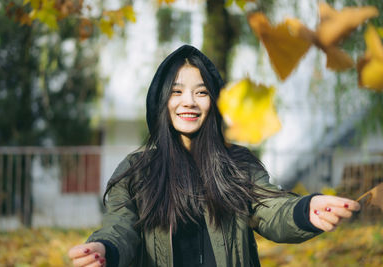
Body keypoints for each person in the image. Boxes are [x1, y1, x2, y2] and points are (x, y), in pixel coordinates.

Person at [68, 45, 360, 267]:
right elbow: (120, 227)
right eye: (177, 91)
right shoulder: (137, 171)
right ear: (162, 100)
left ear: (213, 102)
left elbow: (271, 207)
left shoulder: (238, 164)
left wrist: (304, 210)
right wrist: (104, 249)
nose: (189, 102)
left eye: (201, 92)